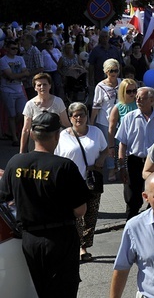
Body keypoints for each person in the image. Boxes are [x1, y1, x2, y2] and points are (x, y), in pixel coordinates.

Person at [0, 112, 89, 298]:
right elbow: (80, 210)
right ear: (57, 135)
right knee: (63, 290)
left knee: (40, 290)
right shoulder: (64, 166)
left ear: (32, 135)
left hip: (29, 239)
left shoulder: (15, 162)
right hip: (60, 239)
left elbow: (4, 197)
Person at [55, 102, 107, 262]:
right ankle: (77, 246)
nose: (79, 118)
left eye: (82, 114)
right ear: (70, 118)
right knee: (76, 216)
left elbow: (105, 149)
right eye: (75, 115)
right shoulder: (63, 135)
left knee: (91, 216)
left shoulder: (96, 132)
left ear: (86, 116)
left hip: (91, 180)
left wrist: (100, 161)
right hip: (71, 183)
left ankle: (84, 245)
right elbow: (57, 157)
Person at [116, 87, 154, 219]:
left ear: (151, 100)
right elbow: (122, 143)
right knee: (133, 199)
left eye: (142, 97)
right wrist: (121, 166)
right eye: (137, 97)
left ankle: (151, 225)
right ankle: (131, 227)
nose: (137, 99)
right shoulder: (129, 118)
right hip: (134, 161)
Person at [20, 72, 71, 153]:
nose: (42, 87)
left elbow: (66, 124)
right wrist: (21, 152)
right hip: (36, 143)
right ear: (35, 88)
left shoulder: (58, 101)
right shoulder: (29, 104)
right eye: (39, 85)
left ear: (50, 86)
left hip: (55, 141)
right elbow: (26, 129)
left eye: (45, 84)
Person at [107, 78, 139, 181]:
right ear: (122, 92)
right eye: (129, 91)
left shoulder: (140, 104)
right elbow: (111, 129)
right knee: (126, 174)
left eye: (134, 91)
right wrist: (111, 146)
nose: (132, 94)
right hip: (123, 145)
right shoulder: (118, 107)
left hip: (138, 143)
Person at [0, 39, 30, 145]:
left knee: (22, 113)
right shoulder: (3, 60)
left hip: (19, 88)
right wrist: (19, 76)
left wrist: (15, 76)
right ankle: (14, 137)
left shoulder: (20, 58)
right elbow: (10, 75)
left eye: (16, 48)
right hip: (7, 90)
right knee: (11, 114)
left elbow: (26, 72)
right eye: (12, 48)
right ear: (7, 49)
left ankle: (9, 129)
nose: (15, 50)